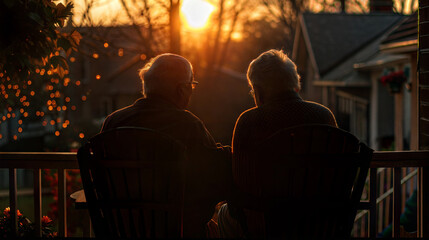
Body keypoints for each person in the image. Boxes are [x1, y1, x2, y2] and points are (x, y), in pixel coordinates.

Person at [101, 53, 233, 238]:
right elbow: (214, 178)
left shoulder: (113, 123)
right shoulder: (187, 125)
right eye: (191, 86)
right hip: (178, 231)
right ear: (182, 90)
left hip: (125, 231)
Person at [218, 49, 338, 238]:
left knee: (224, 212)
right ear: (295, 85)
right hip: (318, 223)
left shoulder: (250, 122)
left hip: (266, 227)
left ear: (258, 91)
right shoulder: (324, 117)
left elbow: (242, 183)